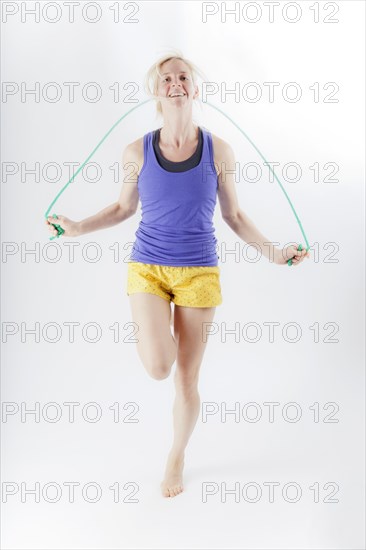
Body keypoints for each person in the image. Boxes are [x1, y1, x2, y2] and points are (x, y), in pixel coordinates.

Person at [45, 51, 310, 498]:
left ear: (194, 88)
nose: (175, 83)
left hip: (199, 272)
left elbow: (236, 216)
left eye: (182, 76)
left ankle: (176, 456)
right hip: (147, 266)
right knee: (157, 367)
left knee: (186, 379)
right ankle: (159, 332)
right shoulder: (137, 150)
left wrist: (276, 253)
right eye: (165, 78)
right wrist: (77, 228)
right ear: (157, 92)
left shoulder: (219, 150)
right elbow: (123, 208)